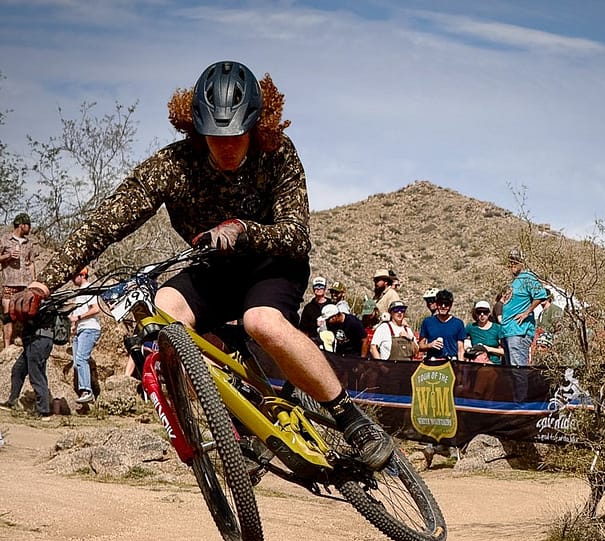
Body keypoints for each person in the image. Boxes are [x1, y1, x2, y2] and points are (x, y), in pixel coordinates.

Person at [7, 60, 393, 469]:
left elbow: (297, 234)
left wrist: (244, 229)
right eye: (215, 137)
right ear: (196, 129)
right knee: (162, 317)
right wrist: (43, 284)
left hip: (272, 265)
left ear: (257, 127)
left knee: (261, 322)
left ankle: (353, 421)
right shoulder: (173, 165)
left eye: (236, 136)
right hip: (210, 269)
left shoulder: (278, 155)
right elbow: (106, 223)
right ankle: (240, 425)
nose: (226, 147)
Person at [500, 250, 548, 365]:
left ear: (522, 262)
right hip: (508, 331)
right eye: (511, 261)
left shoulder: (527, 277)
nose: (512, 264)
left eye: (516, 261)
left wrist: (527, 312)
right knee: (511, 373)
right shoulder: (516, 281)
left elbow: (541, 294)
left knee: (518, 372)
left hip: (519, 332)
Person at [1, 213, 39, 348]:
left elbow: (32, 263)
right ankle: (7, 346)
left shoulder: (29, 243)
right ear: (21, 225)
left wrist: (34, 282)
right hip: (9, 284)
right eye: (28, 225)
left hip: (25, 286)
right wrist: (8, 256)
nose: (30, 228)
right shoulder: (5, 240)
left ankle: (26, 344)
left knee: (26, 315)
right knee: (8, 316)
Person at [68, 268, 101, 406]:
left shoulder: (89, 289)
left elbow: (95, 308)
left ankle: (86, 391)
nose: (72, 279)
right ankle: (88, 395)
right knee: (77, 363)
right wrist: (74, 325)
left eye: (74, 276)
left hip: (89, 328)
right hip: (81, 330)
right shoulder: (80, 292)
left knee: (81, 359)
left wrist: (78, 317)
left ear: (82, 275)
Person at [418, 289, 466, 361]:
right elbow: (421, 346)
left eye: (446, 304)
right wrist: (430, 345)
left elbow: (460, 349)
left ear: (450, 305)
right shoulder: (427, 322)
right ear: (436, 304)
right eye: (440, 303)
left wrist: (461, 368)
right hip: (433, 362)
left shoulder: (458, 323)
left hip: (452, 362)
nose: (443, 306)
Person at [462, 299, 504, 364]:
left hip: (493, 364)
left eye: (485, 312)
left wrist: (487, 349)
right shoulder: (470, 327)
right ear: (475, 313)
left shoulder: (497, 328)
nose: (482, 314)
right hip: (475, 364)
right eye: (479, 312)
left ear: (489, 313)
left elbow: (504, 351)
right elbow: (463, 344)